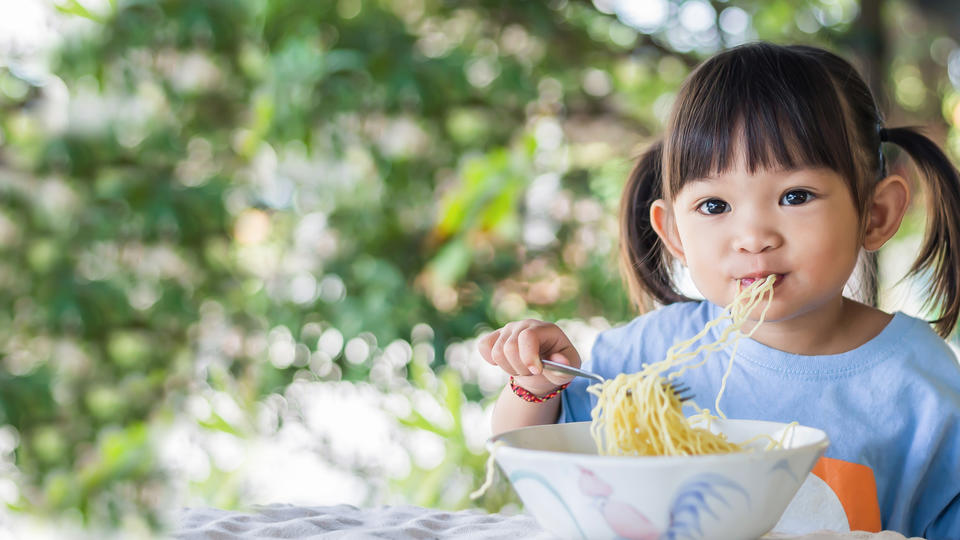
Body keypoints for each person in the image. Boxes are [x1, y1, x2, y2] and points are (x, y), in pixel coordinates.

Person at [477, 42, 960, 537]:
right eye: (714, 206)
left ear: (875, 214)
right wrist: (533, 384)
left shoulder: (921, 382)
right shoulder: (644, 355)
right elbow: (531, 449)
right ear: (675, 233)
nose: (753, 237)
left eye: (795, 196)